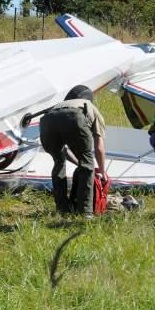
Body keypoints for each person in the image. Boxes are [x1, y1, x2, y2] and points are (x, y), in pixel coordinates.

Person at [40, 85, 107, 217]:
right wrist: (102, 170)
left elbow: (63, 149)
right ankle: (86, 213)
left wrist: (79, 162)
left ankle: (62, 209)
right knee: (88, 166)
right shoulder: (90, 106)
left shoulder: (60, 104)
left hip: (47, 120)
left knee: (58, 162)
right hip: (74, 117)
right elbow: (99, 147)